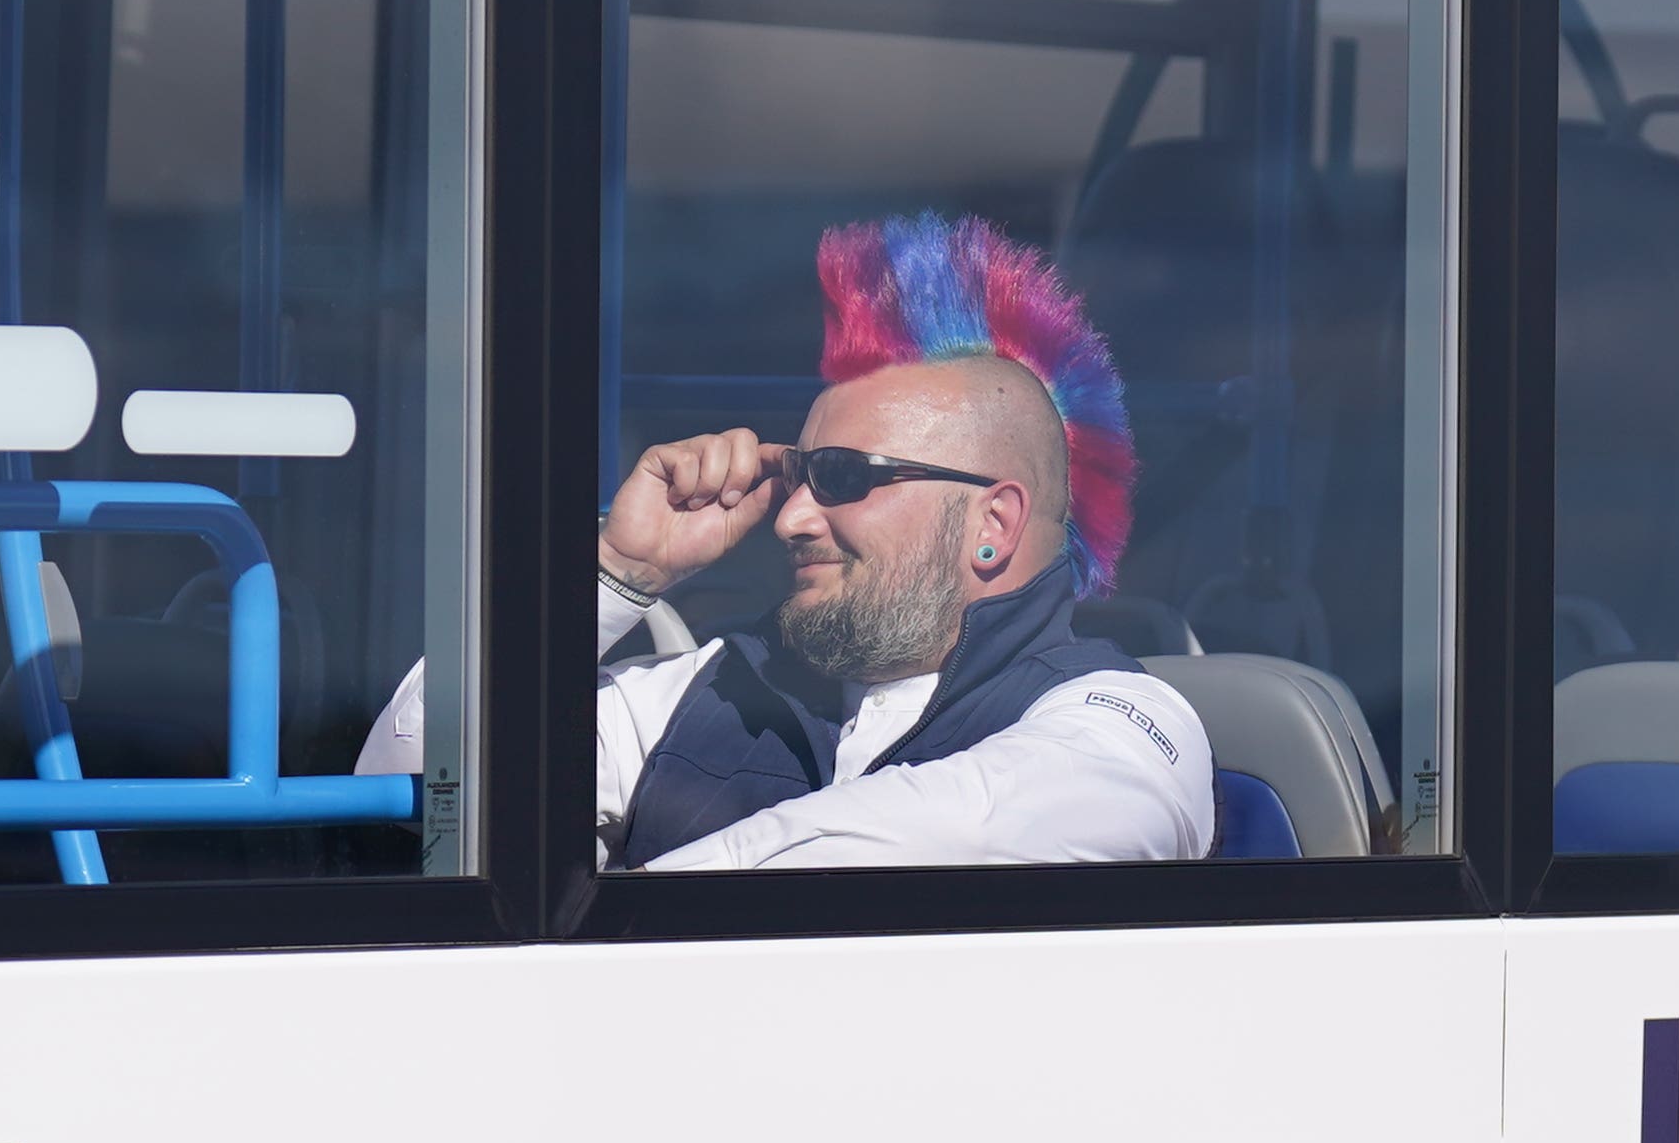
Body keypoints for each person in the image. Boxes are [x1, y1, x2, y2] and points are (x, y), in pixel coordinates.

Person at [367, 211, 1210, 868]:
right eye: (798, 473)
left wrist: (601, 919)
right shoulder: (712, 686)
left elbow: (914, 843)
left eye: (844, 476)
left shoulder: (1123, 726)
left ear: (992, 527)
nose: (791, 517)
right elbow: (408, 791)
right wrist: (617, 574)